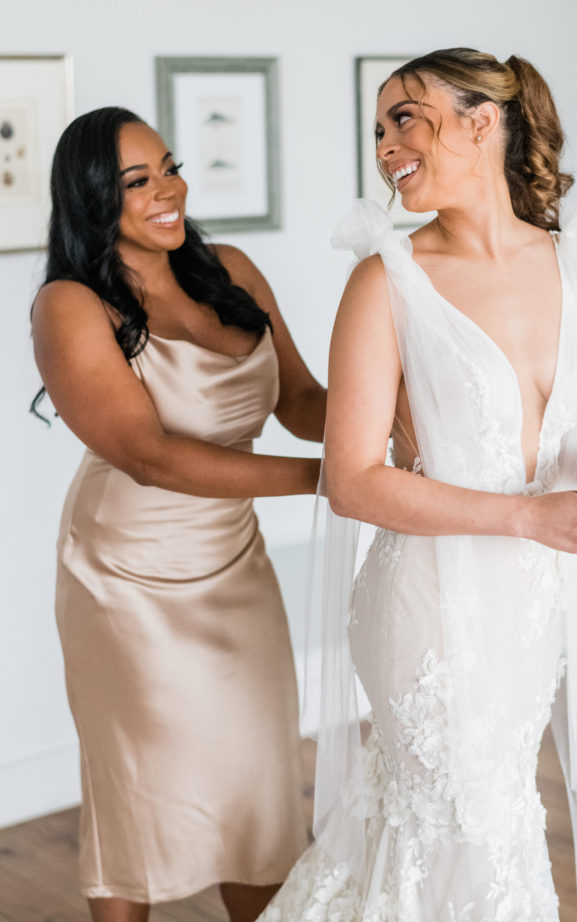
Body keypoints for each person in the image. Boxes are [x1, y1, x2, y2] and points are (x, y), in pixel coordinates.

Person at [259, 48, 577, 922]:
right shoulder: (387, 282)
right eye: (379, 128)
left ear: (483, 120)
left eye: (405, 116)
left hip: (529, 605)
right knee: (455, 821)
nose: (387, 144)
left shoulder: (570, 263)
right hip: (428, 608)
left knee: (494, 816)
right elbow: (352, 481)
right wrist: (528, 516)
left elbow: (546, 421)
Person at [31, 107, 325, 922]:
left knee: (259, 788)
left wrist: (404, 423)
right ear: (94, 197)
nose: (169, 191)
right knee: (139, 792)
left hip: (235, 561)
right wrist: (333, 481)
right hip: (125, 578)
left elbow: (300, 400)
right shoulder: (70, 304)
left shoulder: (229, 269)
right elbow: (148, 455)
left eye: (169, 166)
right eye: (137, 181)